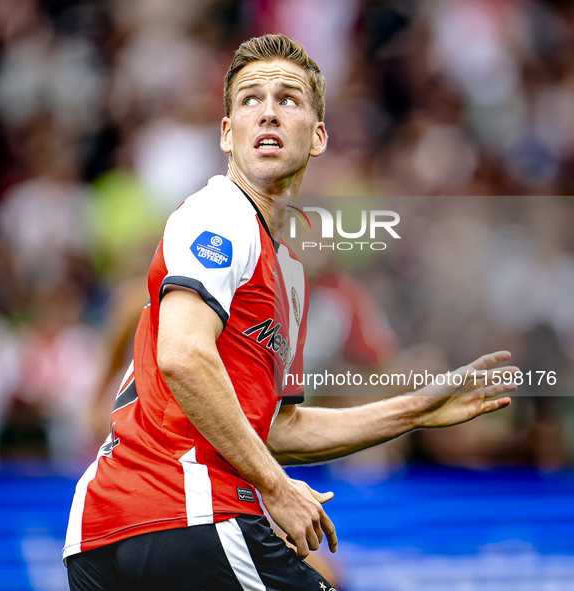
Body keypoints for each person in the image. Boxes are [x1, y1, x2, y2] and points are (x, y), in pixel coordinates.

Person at [63, 34, 518, 591]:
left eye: (289, 99)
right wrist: (275, 487)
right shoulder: (220, 213)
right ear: (228, 135)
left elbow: (277, 428)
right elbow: (182, 355)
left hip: (106, 533)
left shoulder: (289, 277)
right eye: (250, 100)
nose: (268, 112)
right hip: (185, 513)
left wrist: (414, 410)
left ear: (319, 136)